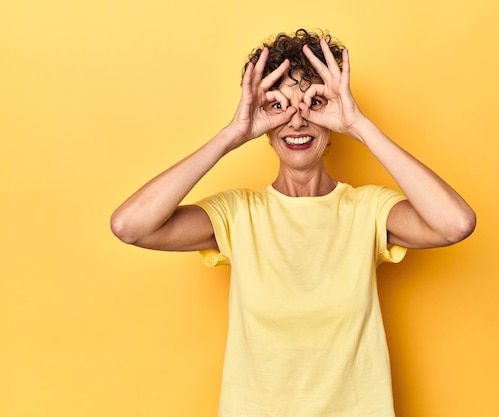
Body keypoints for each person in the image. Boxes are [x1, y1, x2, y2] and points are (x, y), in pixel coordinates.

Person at [111, 29, 475, 417]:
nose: (297, 121)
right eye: (280, 106)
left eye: (314, 103)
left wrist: (359, 126)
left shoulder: (365, 210)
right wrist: (232, 134)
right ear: (262, 121)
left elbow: (454, 223)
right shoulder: (240, 214)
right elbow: (130, 226)